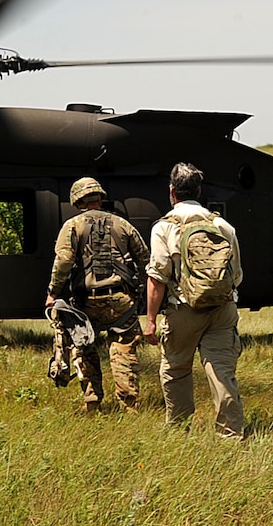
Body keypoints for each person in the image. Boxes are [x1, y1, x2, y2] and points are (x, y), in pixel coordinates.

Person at [143, 163, 245, 438]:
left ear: (172, 192)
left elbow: (157, 277)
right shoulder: (222, 225)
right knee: (222, 372)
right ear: (199, 192)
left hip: (183, 309)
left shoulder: (164, 227)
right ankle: (231, 435)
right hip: (223, 309)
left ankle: (179, 431)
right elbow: (236, 275)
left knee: (175, 369)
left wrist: (151, 320)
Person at [45, 177, 148, 414]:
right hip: (122, 302)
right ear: (100, 198)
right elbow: (145, 260)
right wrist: (140, 289)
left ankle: (92, 402)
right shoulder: (123, 225)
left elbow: (63, 261)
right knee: (123, 350)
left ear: (77, 200)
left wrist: (53, 292)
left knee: (83, 347)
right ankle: (129, 406)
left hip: (86, 302)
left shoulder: (72, 226)